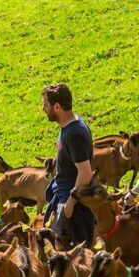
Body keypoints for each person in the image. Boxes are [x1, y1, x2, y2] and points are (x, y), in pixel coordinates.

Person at [42, 83, 95, 248]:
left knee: (70, 259)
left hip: (72, 208)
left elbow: (85, 173)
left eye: (45, 104)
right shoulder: (71, 124)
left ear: (57, 106)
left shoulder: (74, 135)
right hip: (63, 197)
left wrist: (69, 205)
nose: (43, 108)